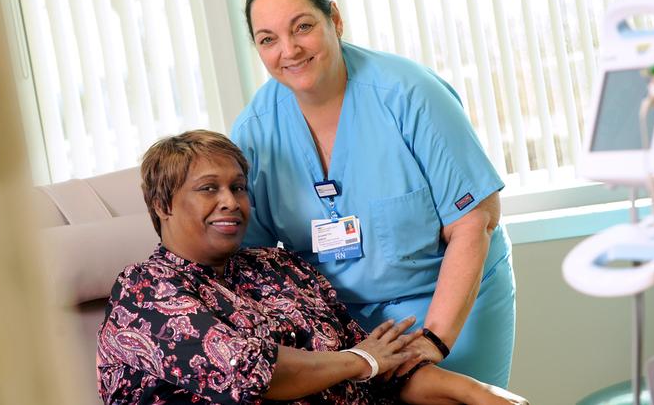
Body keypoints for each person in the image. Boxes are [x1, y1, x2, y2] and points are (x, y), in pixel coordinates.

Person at [230, 0, 516, 387]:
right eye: (268, 39)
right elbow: (248, 258)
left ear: (335, 19)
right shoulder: (255, 131)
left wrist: (435, 339)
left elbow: (475, 220)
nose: (288, 50)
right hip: (339, 324)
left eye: (302, 27)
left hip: (446, 300)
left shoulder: (408, 94)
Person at [96, 130, 528, 404]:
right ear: (162, 205)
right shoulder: (144, 290)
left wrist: (479, 392)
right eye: (208, 189)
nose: (230, 201)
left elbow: (388, 368)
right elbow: (252, 375)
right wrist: (360, 361)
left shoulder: (277, 266)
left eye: (238, 187)